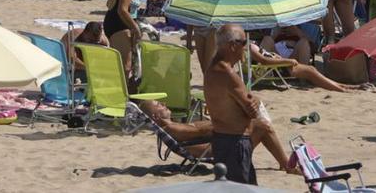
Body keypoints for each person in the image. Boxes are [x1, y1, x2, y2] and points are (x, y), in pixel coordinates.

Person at [137, 100, 296, 174]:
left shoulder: (174, 127)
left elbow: (205, 130)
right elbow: (205, 131)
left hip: (221, 146)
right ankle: (287, 165)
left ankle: (285, 163)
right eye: (159, 105)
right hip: (223, 153)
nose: (164, 103)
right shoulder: (171, 128)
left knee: (260, 124)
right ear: (156, 116)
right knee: (263, 126)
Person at [205, 25, 263, 184]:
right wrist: (255, 101)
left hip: (223, 140)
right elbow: (252, 111)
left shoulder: (214, 67)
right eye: (244, 42)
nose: (247, 47)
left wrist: (253, 101)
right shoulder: (227, 73)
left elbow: (249, 102)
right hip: (234, 142)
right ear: (232, 45)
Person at [104, 0, 154, 81]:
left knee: (121, 63)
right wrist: (135, 28)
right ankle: (122, 96)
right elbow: (122, 10)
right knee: (125, 66)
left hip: (112, 21)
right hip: (120, 25)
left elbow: (109, 3)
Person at [247, 41, 355, 93]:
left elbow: (263, 59)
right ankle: (342, 88)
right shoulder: (249, 47)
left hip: (277, 66)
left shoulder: (247, 45)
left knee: (311, 70)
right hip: (277, 68)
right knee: (311, 71)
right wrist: (287, 61)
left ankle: (342, 86)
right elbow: (264, 61)